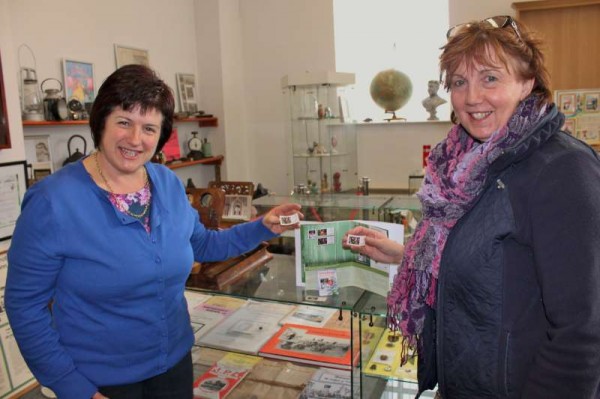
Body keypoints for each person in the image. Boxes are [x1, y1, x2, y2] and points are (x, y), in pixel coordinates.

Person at [5, 64, 303, 399]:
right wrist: (71, 387)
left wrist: (261, 226)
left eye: (148, 127)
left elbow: (202, 244)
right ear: (101, 121)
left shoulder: (166, 183)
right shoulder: (53, 201)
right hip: (98, 382)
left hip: (173, 366)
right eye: (123, 122)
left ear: (160, 135)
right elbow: (24, 306)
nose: (135, 139)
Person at [345, 16, 600, 399]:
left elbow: (584, 330)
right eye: (460, 82)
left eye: (490, 78)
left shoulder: (561, 169)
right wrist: (404, 256)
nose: (471, 97)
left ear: (527, 83)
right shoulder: (469, 163)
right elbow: (499, 265)